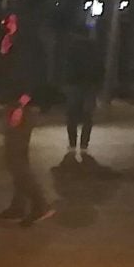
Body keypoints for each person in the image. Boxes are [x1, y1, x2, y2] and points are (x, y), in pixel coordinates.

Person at [0, 3, 53, 227]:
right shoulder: (10, 43)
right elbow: (4, 73)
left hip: (22, 105)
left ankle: (40, 204)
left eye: (13, 19)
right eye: (8, 19)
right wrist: (4, 52)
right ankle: (18, 206)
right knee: (18, 157)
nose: (8, 22)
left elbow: (35, 77)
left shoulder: (30, 45)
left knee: (14, 159)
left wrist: (21, 105)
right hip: (11, 102)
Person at [57, 26, 103, 166]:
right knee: (87, 116)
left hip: (74, 84)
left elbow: (64, 67)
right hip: (89, 85)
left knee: (72, 116)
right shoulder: (93, 48)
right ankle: (84, 145)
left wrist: (64, 83)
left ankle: (72, 144)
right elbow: (99, 67)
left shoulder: (70, 48)